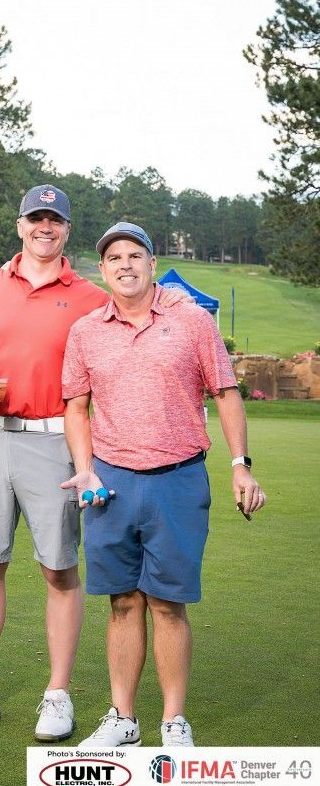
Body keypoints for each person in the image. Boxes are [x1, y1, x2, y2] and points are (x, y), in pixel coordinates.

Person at [61, 221, 267, 748]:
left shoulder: (193, 321)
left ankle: (173, 720)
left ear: (152, 264)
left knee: (168, 604)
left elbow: (225, 393)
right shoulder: (86, 330)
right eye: (114, 258)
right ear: (102, 270)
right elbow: (76, 407)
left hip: (178, 480)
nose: (125, 264)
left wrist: (240, 463)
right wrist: (84, 466)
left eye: (135, 255)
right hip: (111, 484)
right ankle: (122, 719)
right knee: (123, 602)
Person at [0, 185, 130, 741]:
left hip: (55, 443)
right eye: (35, 218)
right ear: (19, 225)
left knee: (59, 570)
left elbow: (135, 317)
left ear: (66, 230)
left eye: (56, 220)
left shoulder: (92, 297)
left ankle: (57, 695)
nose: (45, 227)